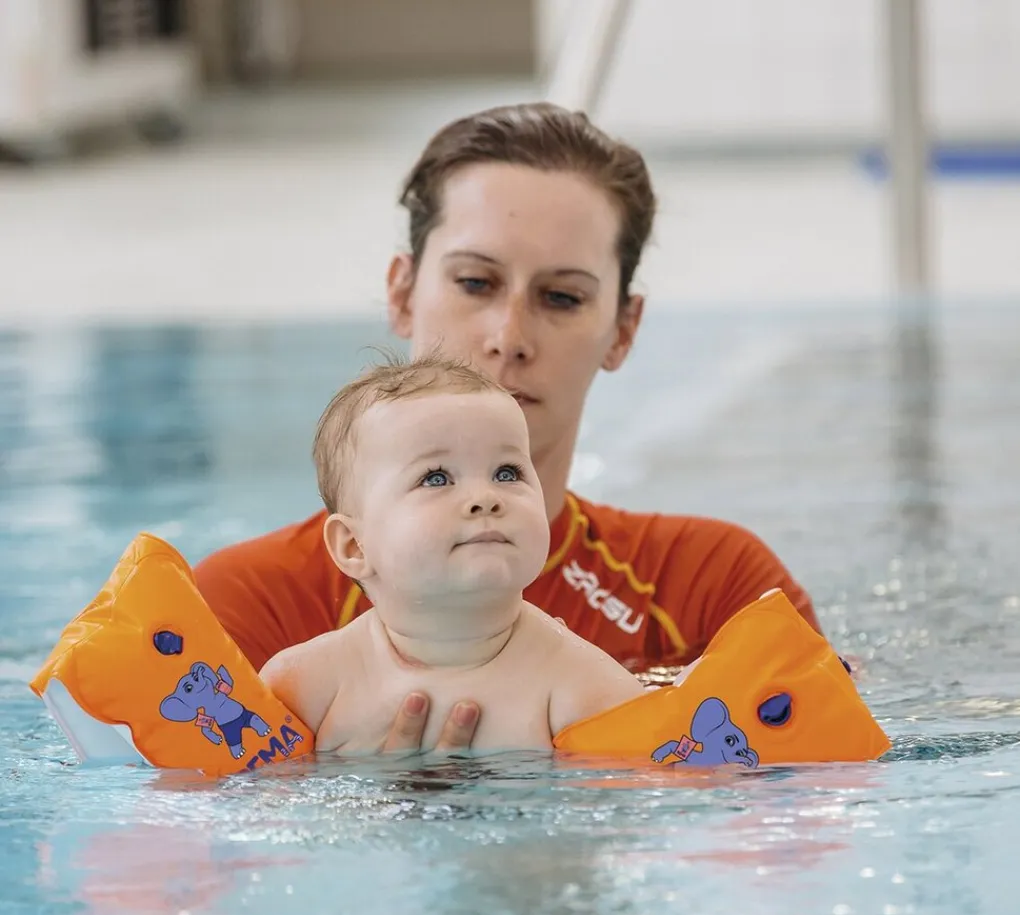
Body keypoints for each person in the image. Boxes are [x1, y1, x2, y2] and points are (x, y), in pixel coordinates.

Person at [194, 101, 819, 754]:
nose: (509, 336)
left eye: (562, 297)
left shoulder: (711, 591)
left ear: (623, 330)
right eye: (475, 282)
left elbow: (816, 790)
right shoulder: (253, 604)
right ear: (402, 293)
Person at [261, 353, 643, 752]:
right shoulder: (306, 687)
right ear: (355, 546)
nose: (485, 497)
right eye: (436, 478)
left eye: (507, 472)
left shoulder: (587, 690)